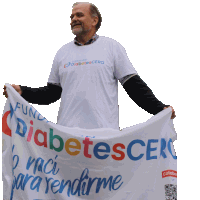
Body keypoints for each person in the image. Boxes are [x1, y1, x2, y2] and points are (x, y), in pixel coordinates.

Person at [3, 2, 175, 130]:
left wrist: (160, 109)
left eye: (79, 15)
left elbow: (133, 86)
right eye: (71, 17)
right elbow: (52, 94)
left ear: (94, 20)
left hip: (104, 135)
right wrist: (23, 92)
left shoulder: (112, 47)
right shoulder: (62, 52)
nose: (74, 19)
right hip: (67, 137)